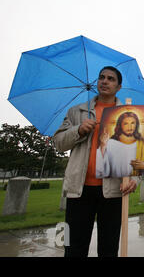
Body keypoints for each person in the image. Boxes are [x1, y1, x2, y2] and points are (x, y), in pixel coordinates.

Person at [53, 66, 138, 257]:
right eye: (101, 77)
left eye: (111, 79)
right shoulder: (77, 112)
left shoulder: (128, 115)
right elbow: (58, 143)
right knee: (73, 247)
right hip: (79, 190)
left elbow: (137, 155)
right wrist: (79, 130)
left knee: (109, 248)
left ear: (118, 86)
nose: (105, 81)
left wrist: (135, 179)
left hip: (113, 191)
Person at [96, 111, 144, 178]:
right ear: (120, 125)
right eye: (125, 123)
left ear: (136, 125)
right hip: (113, 183)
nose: (130, 127)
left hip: (134, 183)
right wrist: (103, 146)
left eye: (133, 123)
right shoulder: (109, 143)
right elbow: (100, 170)